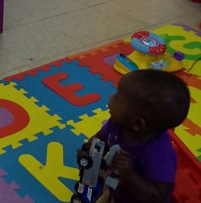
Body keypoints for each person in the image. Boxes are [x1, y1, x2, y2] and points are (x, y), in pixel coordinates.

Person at [76, 69, 190, 203]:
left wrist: (130, 174)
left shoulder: (160, 155)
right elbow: (101, 139)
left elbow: (160, 197)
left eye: (118, 97)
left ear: (137, 124)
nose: (111, 97)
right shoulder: (118, 123)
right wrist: (90, 149)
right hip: (116, 185)